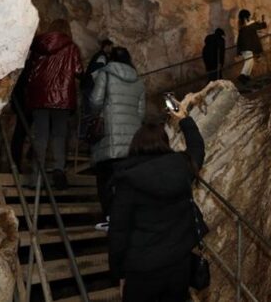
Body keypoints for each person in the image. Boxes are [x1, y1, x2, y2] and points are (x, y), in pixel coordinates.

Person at [109, 102, 204, 302]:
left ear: (135, 145)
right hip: (179, 264)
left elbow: (119, 232)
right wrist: (184, 118)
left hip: (142, 269)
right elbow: (197, 146)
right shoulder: (182, 167)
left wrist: (119, 273)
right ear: (164, 143)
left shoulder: (128, 180)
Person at [24, 19, 83, 190]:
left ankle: (36, 178)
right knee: (59, 136)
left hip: (40, 98)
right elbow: (78, 71)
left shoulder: (37, 46)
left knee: (40, 137)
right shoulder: (71, 47)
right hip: (62, 98)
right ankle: (58, 171)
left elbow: (30, 71)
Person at [90, 47, 145, 224]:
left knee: (105, 179)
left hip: (110, 137)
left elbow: (96, 101)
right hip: (131, 140)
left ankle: (109, 217)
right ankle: (126, 218)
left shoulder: (105, 74)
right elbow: (141, 113)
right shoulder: (139, 81)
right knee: (126, 182)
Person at [81, 39, 114, 116]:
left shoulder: (99, 55)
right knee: (90, 113)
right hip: (90, 86)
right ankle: (87, 127)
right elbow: (98, 73)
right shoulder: (102, 57)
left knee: (86, 113)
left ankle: (84, 128)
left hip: (87, 85)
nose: (111, 49)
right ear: (106, 46)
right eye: (111, 47)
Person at [236, 9, 267, 83]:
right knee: (249, 60)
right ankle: (242, 75)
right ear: (246, 17)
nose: (250, 17)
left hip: (244, 47)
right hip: (248, 47)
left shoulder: (242, 27)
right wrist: (262, 21)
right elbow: (262, 26)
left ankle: (246, 76)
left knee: (250, 60)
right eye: (249, 16)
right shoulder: (249, 26)